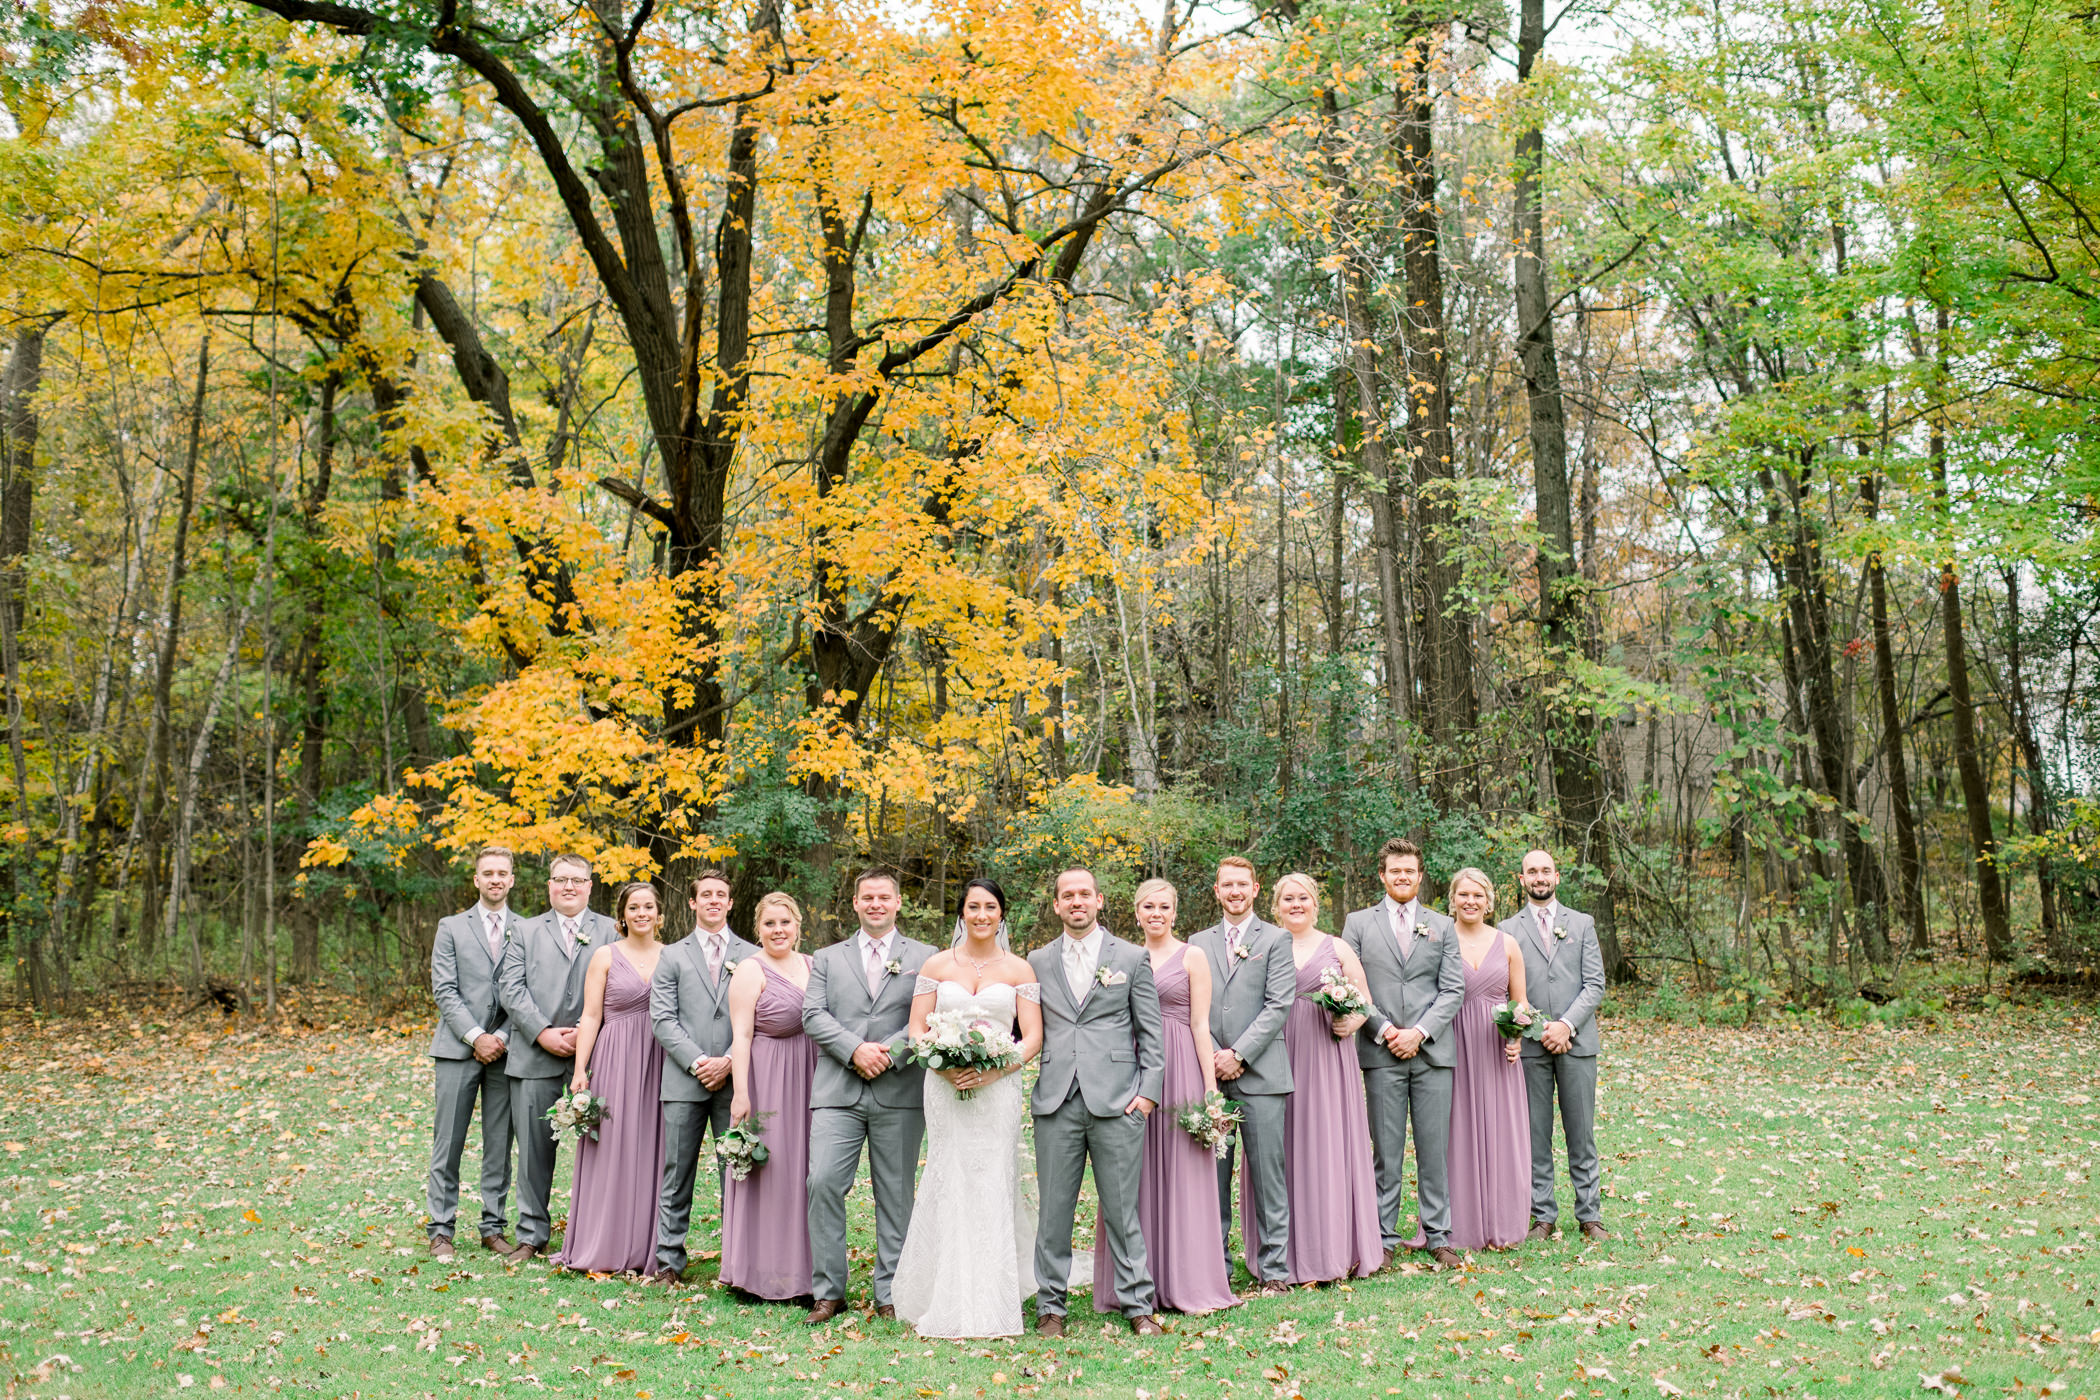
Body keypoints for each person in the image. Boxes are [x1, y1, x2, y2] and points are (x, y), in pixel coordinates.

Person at [892, 878, 1044, 1338]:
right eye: (973, 907)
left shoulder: (1020, 969)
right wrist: (941, 1065)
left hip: (997, 1091)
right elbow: (917, 1028)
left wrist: (997, 1071)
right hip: (945, 1086)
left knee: (991, 1178)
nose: (981, 915)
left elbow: (1032, 1036)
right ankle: (943, 1293)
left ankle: (994, 1297)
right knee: (949, 1174)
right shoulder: (936, 965)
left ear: (1002, 914)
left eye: (990, 907)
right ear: (961, 913)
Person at [1027, 868, 1166, 1337]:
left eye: (1084, 894)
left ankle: (1137, 1304)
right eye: (1067, 895)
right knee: (1054, 1211)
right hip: (1056, 1100)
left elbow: (1151, 1033)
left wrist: (1147, 1096)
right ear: (1057, 905)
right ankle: (1051, 1307)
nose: (1077, 901)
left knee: (1122, 1209)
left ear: (1100, 900)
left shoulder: (1131, 956)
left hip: (1118, 1101)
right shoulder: (1037, 960)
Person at [1096, 879, 1239, 1315]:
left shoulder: (1192, 956)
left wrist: (1210, 1092)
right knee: (1129, 1175)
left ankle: (1186, 1279)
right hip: (1130, 1070)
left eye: (1163, 907)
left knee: (1182, 1173)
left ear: (1175, 913)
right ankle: (1133, 1283)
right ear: (1135, 913)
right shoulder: (1118, 956)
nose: (1155, 913)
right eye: (1147, 906)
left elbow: (1200, 1025)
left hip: (1180, 1069)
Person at [802, 870, 937, 1324]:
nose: (876, 904)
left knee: (896, 1194)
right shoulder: (826, 957)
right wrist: (854, 1050)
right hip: (837, 1090)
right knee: (822, 1183)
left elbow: (930, 1015)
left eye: (884, 897)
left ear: (899, 903)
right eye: (867, 898)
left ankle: (891, 1292)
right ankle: (828, 1291)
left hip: (898, 1089)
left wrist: (889, 1053)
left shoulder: (927, 957)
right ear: (855, 903)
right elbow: (813, 1014)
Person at [1340, 838, 1466, 1269]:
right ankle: (1383, 1238)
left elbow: (1453, 989)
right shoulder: (1357, 924)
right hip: (1381, 1050)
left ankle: (1439, 1234)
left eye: (1409, 871)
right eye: (1395, 870)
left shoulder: (1442, 926)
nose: (1402, 877)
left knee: (1434, 1148)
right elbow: (1351, 987)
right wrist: (1387, 1029)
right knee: (1386, 1149)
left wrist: (1420, 1032)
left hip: (1432, 1053)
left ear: (1420, 874)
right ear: (1382, 875)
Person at [496, 852, 618, 1263]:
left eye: (577, 880)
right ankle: (532, 1233)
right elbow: (510, 989)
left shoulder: (611, 930)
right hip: (535, 1053)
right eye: (560, 879)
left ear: (589, 885)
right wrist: (543, 1032)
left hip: (600, 1053)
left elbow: (625, 986)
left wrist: (589, 1032)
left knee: (606, 1144)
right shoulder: (524, 930)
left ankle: (600, 1234)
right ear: (549, 885)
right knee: (532, 1149)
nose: (569, 886)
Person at [1185, 856, 1294, 1295]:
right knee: (1213, 1175)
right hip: (1208, 1074)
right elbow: (1191, 1007)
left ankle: (1275, 1270)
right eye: (1226, 884)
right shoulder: (1196, 942)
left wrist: (1240, 1054)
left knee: (1268, 1174)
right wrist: (1214, 1055)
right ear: (1216, 890)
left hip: (1263, 1075)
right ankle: (1217, 1267)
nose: (1234, 891)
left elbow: (1278, 1005)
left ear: (1254, 889)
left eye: (1241, 885)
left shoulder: (1277, 938)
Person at [646, 870, 760, 1285]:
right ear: (692, 903)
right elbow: (662, 1019)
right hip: (683, 1080)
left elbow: (758, 1016)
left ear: (731, 904)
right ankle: (668, 1262)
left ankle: (738, 1262)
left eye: (721, 895)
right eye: (705, 895)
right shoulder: (672, 955)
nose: (713, 900)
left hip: (738, 1080)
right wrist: (698, 1062)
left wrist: (729, 1059)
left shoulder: (752, 954)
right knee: (677, 1171)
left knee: (737, 1168)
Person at [1272, 872, 1383, 1284]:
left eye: (1303, 898)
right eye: (1288, 899)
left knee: (1328, 1145)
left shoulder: (1336, 947)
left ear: (1316, 904)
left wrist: (1350, 1021)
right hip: (1277, 1053)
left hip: (1326, 1056)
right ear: (1276, 906)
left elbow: (1365, 1001)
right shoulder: (1266, 943)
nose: (1296, 904)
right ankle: (1283, 1254)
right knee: (1284, 1148)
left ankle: (1337, 1248)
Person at [559, 882, 668, 1273]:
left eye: (649, 907)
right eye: (634, 907)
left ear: (660, 914)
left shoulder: (672, 957)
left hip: (659, 1059)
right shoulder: (605, 955)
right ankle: (602, 1242)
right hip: (615, 1056)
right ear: (622, 915)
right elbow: (590, 1016)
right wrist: (579, 1071)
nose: (642, 913)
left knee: (652, 1147)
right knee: (611, 1147)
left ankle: (646, 1247)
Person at [1501, 848, 1608, 1242]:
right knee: (1535, 1132)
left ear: (1557, 877)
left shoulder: (1581, 924)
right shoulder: (1506, 929)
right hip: (1530, 1045)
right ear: (1521, 879)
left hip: (1576, 1043)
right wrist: (1533, 1028)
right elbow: (1504, 988)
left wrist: (1564, 1025)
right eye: (1532, 871)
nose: (1539, 877)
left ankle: (1590, 1214)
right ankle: (1542, 1215)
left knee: (1581, 1132)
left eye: (1546, 870)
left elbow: (1594, 984)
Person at [719, 892, 820, 1300]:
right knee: (770, 1171)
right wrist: (741, 1093)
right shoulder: (749, 969)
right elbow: (741, 1035)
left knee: (804, 1171)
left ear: (798, 925)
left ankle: (805, 1275)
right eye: (769, 924)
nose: (778, 931)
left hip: (810, 1076)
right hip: (767, 1077)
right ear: (758, 929)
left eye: (785, 922)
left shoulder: (813, 965)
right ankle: (755, 1274)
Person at [425, 845, 520, 1262]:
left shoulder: (529, 928)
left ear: (512, 879)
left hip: (506, 1050)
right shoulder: (451, 926)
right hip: (457, 1048)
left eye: (502, 872)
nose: (495, 879)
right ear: (476, 880)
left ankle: (493, 1226)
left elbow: (528, 991)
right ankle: (441, 1230)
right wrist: (476, 1036)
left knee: (499, 1142)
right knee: (448, 1141)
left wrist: (499, 1036)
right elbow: (444, 989)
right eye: (488, 873)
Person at [1436, 868, 1531, 1251]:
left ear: (1488, 901)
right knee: (1457, 1129)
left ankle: (1503, 1218)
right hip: (1453, 1042)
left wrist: (1516, 1032)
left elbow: (1521, 1000)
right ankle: (1461, 1223)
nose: (1470, 901)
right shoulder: (1440, 939)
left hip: (1496, 1048)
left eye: (1478, 895)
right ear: (1453, 899)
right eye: (1463, 895)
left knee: (1501, 1128)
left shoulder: (1507, 943)